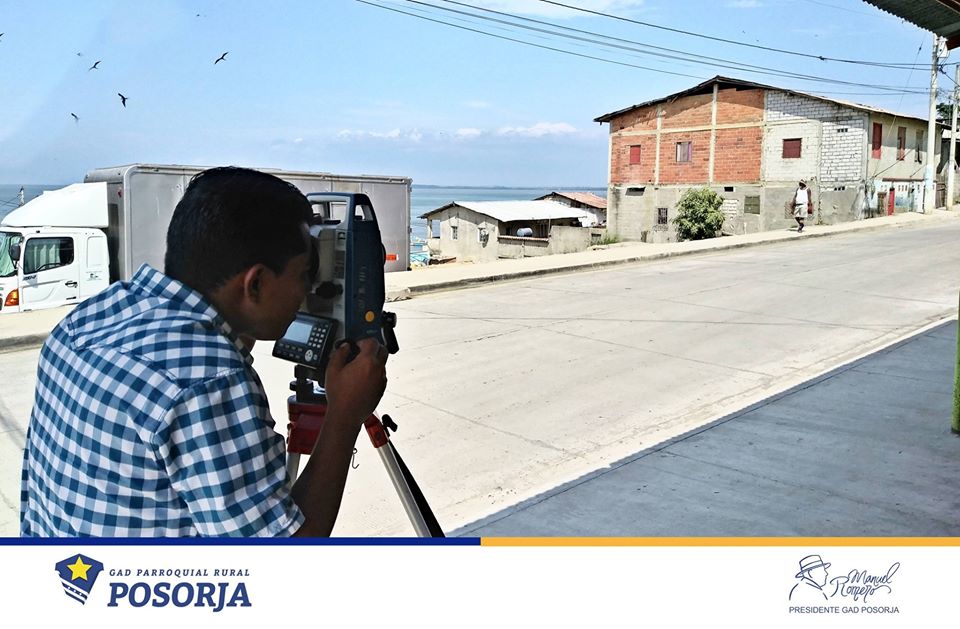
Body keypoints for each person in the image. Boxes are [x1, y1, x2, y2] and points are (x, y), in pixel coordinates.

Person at [20, 167, 388, 537]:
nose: (308, 290)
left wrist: (245, 325)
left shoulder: (87, 320)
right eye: (303, 274)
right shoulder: (210, 382)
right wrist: (344, 413)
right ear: (256, 283)